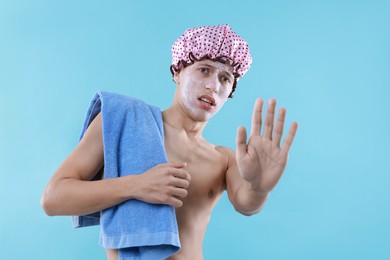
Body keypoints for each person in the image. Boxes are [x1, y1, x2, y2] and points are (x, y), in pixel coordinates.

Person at [41, 24, 298, 260]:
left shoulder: (225, 159)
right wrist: (137, 185)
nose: (213, 86)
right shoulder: (121, 121)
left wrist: (259, 186)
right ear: (177, 71)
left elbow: (246, 204)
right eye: (204, 69)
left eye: (225, 78)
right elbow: (53, 199)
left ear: (230, 91)